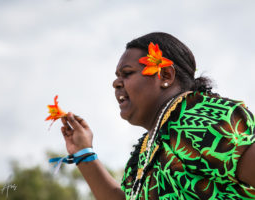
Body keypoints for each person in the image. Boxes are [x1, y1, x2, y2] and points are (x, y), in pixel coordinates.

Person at [59, 32, 255, 200]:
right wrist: (83, 152)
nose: (116, 83)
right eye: (117, 76)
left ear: (166, 76)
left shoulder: (200, 119)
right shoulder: (148, 150)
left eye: (127, 73)